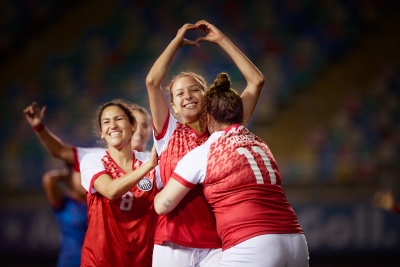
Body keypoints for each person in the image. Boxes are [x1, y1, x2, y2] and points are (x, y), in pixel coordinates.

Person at [154, 73, 310, 267]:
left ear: (207, 114)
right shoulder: (259, 143)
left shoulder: (204, 152)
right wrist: (221, 40)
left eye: (195, 90)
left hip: (252, 242)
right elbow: (257, 81)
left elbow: (161, 206)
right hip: (295, 239)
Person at [145, 20, 265, 266]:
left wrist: (222, 40)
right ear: (174, 108)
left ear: (207, 95)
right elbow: (152, 82)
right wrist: (175, 43)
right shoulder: (167, 132)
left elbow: (256, 82)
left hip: (218, 244)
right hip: (173, 242)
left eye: (194, 90)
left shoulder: (225, 126)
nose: (187, 96)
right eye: (179, 94)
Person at [23, 101, 152, 267]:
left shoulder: (158, 162)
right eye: (108, 121)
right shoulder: (96, 158)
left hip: (140, 256)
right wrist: (39, 128)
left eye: (145, 125)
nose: (140, 130)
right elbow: (60, 151)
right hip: (101, 257)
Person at [79, 99, 162, 267]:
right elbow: (110, 190)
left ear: (133, 125)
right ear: (102, 132)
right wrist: (148, 167)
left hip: (142, 261)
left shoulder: (149, 162)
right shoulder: (93, 161)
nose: (113, 125)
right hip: (99, 261)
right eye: (106, 122)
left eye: (119, 119)